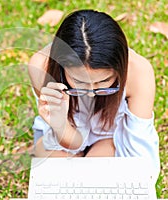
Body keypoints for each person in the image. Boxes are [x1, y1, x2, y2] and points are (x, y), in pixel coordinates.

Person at [28, 10, 160, 175]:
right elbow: (70, 142)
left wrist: (140, 185)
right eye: (79, 82)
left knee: (97, 170)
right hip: (63, 135)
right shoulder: (41, 67)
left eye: (104, 82)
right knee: (57, 169)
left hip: (109, 137)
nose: (91, 93)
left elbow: (140, 145)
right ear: (62, 67)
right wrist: (60, 122)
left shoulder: (138, 71)